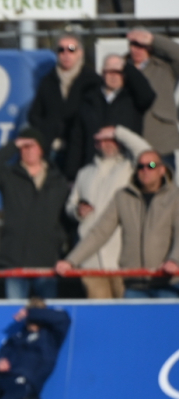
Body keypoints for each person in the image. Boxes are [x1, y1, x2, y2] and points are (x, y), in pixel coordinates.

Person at [57, 150, 179, 298]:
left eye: (151, 165)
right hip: (134, 285)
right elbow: (99, 232)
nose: (145, 170)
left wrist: (174, 260)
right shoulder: (123, 197)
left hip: (168, 283)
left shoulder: (175, 197)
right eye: (140, 166)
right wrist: (71, 261)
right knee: (130, 321)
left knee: (168, 322)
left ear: (162, 170)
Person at [65, 125, 153, 299]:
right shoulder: (85, 173)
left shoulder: (129, 168)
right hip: (90, 261)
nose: (107, 145)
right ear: (95, 145)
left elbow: (147, 154)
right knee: (100, 315)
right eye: (101, 141)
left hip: (121, 258)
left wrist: (119, 131)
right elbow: (70, 205)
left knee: (126, 314)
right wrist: (77, 211)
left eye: (111, 140)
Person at [0, 128, 68, 299]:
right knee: (14, 312)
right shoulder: (11, 176)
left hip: (46, 259)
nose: (28, 150)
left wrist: (60, 240)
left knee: (47, 312)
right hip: (15, 259)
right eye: (24, 147)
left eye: (32, 146)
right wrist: (13, 145)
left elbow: (64, 215)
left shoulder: (57, 180)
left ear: (41, 149)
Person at [67, 54, 154, 180]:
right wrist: (71, 174)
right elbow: (77, 139)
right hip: (94, 168)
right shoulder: (88, 100)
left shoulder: (134, 99)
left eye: (118, 72)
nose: (114, 76)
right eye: (109, 72)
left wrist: (127, 67)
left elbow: (148, 96)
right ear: (103, 73)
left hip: (124, 169)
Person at [27, 34, 102, 179]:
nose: (66, 54)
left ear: (80, 53)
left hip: (82, 150)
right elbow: (34, 115)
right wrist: (48, 128)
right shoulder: (48, 81)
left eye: (71, 49)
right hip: (53, 150)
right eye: (61, 50)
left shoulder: (92, 81)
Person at [126, 29, 179, 171]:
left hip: (161, 141)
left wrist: (154, 39)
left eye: (141, 44)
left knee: (164, 188)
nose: (137, 49)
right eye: (133, 44)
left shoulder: (164, 67)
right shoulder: (122, 67)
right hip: (130, 141)